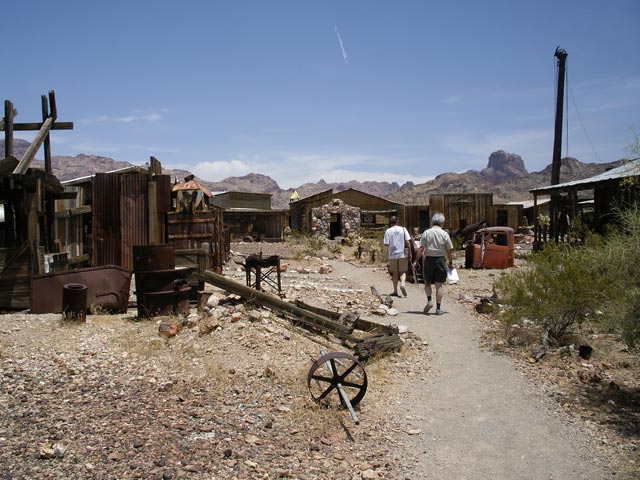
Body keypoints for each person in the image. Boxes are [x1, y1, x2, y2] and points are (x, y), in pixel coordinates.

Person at [415, 212, 454, 315]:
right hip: (440, 260)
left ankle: (429, 300)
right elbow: (449, 250)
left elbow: (421, 249)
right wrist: (450, 262)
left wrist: (415, 261)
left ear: (432, 222)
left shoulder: (426, 233)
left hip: (429, 260)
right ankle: (438, 308)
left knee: (427, 282)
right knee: (439, 286)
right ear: (442, 223)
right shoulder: (444, 234)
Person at [383, 216, 412, 297]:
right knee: (402, 271)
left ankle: (395, 291)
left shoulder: (388, 231)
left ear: (390, 222)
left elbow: (386, 243)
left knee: (395, 273)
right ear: (397, 221)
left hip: (393, 254)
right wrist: (409, 253)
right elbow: (408, 242)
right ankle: (402, 284)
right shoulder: (403, 229)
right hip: (402, 253)